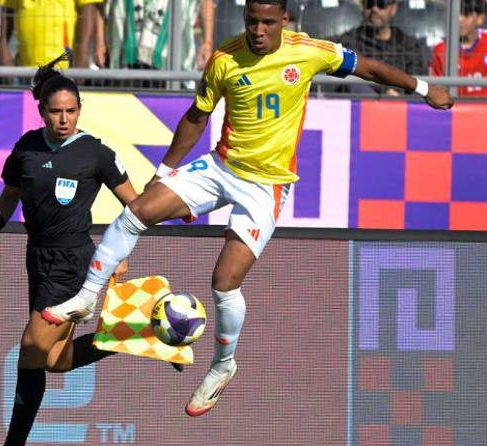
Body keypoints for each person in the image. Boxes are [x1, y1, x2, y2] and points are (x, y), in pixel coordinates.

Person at [41, 0, 453, 417]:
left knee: (223, 281)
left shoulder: (308, 52)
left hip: (267, 185)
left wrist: (422, 89)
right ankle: (87, 298)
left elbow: (368, 67)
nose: (258, 30)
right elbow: (197, 116)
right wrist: (164, 171)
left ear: (283, 22)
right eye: (252, 21)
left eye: (267, 23)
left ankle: (223, 365)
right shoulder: (225, 59)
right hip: (221, 166)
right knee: (135, 213)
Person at [0, 53, 142, 446]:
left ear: (80, 110)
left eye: (72, 111)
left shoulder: (94, 152)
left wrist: (120, 250)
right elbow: (9, 197)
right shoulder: (27, 148)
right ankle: (133, 333)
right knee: (55, 362)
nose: (64, 119)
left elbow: (136, 206)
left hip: (75, 262)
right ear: (42, 111)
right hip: (39, 259)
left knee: (31, 347)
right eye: (56, 111)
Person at [331, 0, 428, 95]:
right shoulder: (349, 41)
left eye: (381, 3)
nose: (374, 9)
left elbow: (418, 78)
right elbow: (353, 74)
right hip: (365, 103)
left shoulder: (408, 45)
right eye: (369, 3)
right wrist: (385, 91)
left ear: (393, 9)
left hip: (404, 104)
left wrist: (398, 94)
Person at [105, 0, 216, 71]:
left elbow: (206, 2)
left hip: (171, 62)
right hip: (128, 61)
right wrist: (101, 40)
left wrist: (207, 43)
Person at [0, 0, 105, 68]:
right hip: (25, 65)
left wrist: (83, 53)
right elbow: (7, 8)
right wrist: (2, 47)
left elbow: (89, 7)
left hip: (62, 65)